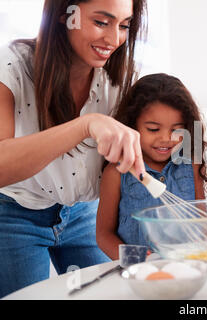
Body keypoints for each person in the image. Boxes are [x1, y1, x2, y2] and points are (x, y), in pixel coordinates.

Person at [0, 0, 148, 298]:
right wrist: (85, 125)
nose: (114, 39)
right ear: (62, 15)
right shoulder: (12, 67)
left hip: (84, 215)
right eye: (102, 22)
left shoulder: (121, 79)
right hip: (14, 214)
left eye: (124, 25)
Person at [96, 73, 207, 260]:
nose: (166, 138)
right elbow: (104, 235)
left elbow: (202, 222)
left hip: (187, 266)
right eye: (153, 129)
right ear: (131, 125)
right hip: (139, 272)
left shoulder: (191, 165)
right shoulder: (117, 173)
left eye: (176, 130)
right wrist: (137, 259)